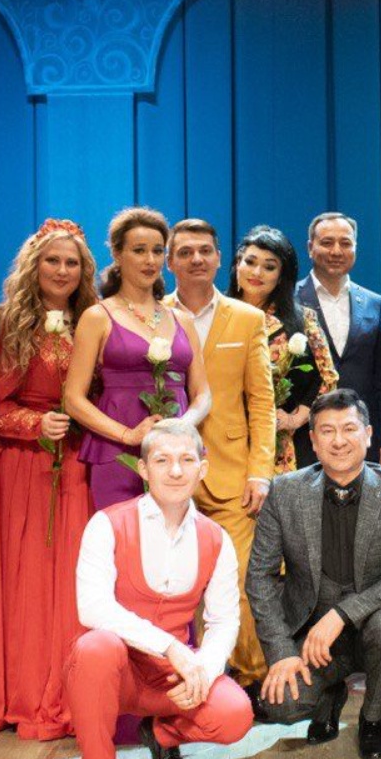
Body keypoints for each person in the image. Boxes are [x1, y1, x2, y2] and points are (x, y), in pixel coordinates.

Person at [65, 419, 254, 759]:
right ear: (143, 469)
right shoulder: (107, 524)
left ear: (203, 468)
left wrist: (203, 671)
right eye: (162, 460)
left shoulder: (216, 538)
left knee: (236, 714)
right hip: (116, 673)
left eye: (186, 460)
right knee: (95, 646)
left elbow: (224, 620)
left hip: (172, 678)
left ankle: (161, 735)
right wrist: (171, 647)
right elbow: (92, 607)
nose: (175, 471)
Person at [0, 218, 100, 739]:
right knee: (26, 585)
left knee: (74, 582)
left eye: (72, 263)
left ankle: (75, 692)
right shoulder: (6, 324)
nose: (62, 271)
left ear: (85, 270)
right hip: (21, 469)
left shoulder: (95, 319)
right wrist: (34, 424)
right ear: (33, 266)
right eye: (52, 261)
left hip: (78, 466)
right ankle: (19, 692)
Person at [247, 390, 381, 759]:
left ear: (368, 434)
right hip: (312, 632)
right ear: (313, 440)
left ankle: (372, 719)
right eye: (327, 431)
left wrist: (342, 614)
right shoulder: (284, 491)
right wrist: (281, 654)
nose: (339, 441)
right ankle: (330, 693)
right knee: (282, 705)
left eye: (349, 428)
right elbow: (260, 577)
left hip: (375, 624)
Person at [164, 217, 276, 686]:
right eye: (185, 252)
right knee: (175, 584)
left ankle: (253, 679)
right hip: (168, 474)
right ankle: (185, 679)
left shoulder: (247, 318)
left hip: (233, 475)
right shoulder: (150, 314)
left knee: (241, 582)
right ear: (169, 261)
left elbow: (262, 402)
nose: (196, 259)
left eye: (205, 251)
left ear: (218, 258)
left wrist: (260, 471)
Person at [64, 208, 209, 511]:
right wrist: (128, 435)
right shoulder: (97, 316)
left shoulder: (182, 319)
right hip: (117, 453)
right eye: (139, 250)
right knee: (122, 534)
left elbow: (203, 393)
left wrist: (180, 427)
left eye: (157, 251)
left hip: (174, 454)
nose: (150, 260)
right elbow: (73, 399)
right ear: (117, 254)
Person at [226, 225, 339, 473]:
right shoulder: (217, 314)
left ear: (281, 276)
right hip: (222, 440)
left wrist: (295, 418)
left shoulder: (303, 319)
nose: (257, 272)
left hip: (278, 445)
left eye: (269, 267)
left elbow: (327, 377)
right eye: (250, 262)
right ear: (237, 264)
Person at [296, 212, 381, 468]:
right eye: (327, 242)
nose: (336, 251)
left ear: (355, 248)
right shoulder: (290, 299)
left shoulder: (374, 303)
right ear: (310, 247)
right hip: (304, 435)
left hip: (359, 435)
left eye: (345, 243)